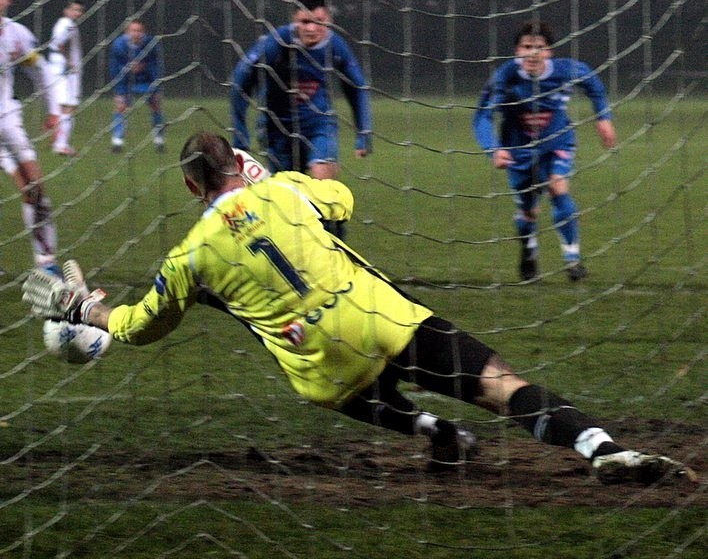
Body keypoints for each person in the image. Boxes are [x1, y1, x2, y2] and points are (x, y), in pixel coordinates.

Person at [22, 131, 696, 486]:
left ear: (190, 184)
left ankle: (438, 436)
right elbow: (340, 199)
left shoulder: (188, 258)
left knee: (348, 389)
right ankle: (600, 448)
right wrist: (276, 181)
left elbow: (138, 326)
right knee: (499, 386)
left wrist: (85, 311)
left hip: (319, 362)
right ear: (240, 163)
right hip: (380, 315)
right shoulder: (288, 191)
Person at [473, 20, 616, 282]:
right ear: (517, 51)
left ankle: (573, 260)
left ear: (549, 51)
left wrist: (603, 118)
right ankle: (528, 251)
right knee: (529, 211)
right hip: (518, 151)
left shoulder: (566, 71)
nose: (532, 53)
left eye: (539, 47)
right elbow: (482, 117)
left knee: (558, 186)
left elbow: (594, 86)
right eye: (527, 47)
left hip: (557, 143)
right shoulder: (505, 78)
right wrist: (493, 150)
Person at [231, 0, 373, 184]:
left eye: (319, 22)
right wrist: (240, 135)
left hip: (318, 124)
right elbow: (241, 79)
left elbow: (357, 87)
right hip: (278, 128)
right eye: (305, 22)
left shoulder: (335, 45)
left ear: (328, 21)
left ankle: (325, 212)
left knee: (324, 182)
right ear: (295, 21)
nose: (311, 28)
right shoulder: (276, 43)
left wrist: (363, 133)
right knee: (287, 195)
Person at [0, 0, 61, 271]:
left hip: (7, 121)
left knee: (35, 188)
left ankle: (46, 260)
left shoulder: (16, 35)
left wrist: (52, 111)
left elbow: (40, 71)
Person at [108, 18, 165, 153]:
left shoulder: (151, 44)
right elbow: (114, 68)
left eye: (139, 31)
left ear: (143, 32)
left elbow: (156, 65)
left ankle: (159, 141)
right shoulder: (118, 45)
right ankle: (117, 142)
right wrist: (120, 89)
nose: (136, 33)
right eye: (133, 30)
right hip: (126, 81)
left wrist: (156, 87)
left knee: (156, 106)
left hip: (146, 81)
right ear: (127, 32)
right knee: (120, 107)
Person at [47, 0, 85, 156]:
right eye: (74, 9)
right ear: (66, 10)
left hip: (62, 70)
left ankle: (59, 141)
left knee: (66, 107)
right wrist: (68, 61)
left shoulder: (66, 24)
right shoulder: (67, 24)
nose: (77, 13)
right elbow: (59, 44)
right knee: (67, 107)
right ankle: (61, 145)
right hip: (63, 71)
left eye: (80, 10)